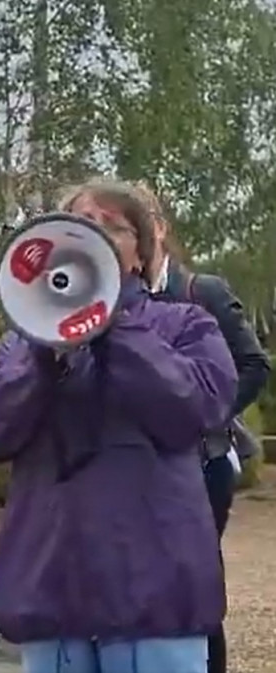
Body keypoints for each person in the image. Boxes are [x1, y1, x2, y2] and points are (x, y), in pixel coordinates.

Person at [0, 179, 237, 673]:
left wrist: (114, 327)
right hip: (53, 594)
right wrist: (42, 357)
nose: (96, 234)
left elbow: (195, 409)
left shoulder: (186, 326)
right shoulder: (22, 343)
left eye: (113, 226)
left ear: (140, 257)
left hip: (152, 598)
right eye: (83, 224)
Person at [136, 181, 270, 673]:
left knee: (193, 585)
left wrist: (205, 414)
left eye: (140, 223)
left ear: (160, 229)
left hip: (203, 462)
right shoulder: (107, 300)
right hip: (136, 463)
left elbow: (254, 364)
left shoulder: (201, 291)